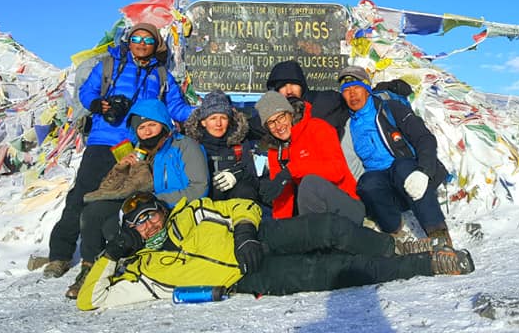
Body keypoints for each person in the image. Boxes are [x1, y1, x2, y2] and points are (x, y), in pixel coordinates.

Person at [77, 191, 474, 310]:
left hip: (258, 239)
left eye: (151, 214)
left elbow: (240, 205)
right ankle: (427, 262)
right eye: (138, 223)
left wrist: (246, 232)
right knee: (333, 271)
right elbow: (89, 302)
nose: (148, 224)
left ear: (161, 211)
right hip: (245, 279)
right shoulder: (142, 271)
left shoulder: (190, 213)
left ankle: (398, 245)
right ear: (132, 233)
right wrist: (112, 254)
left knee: (330, 228)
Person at [69, 98, 209, 299]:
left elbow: (199, 188)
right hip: (141, 206)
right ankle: (90, 268)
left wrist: (158, 199)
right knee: (94, 213)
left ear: (163, 123)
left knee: (113, 227)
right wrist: (121, 168)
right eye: (142, 127)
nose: (148, 131)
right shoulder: (136, 152)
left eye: (152, 124)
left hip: (172, 208)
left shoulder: (184, 146)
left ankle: (125, 266)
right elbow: (111, 189)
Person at [337, 66, 454, 248]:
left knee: (402, 167)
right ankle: (395, 232)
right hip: (384, 188)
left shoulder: (391, 109)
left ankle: (439, 234)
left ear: (367, 88)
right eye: (346, 91)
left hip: (412, 178)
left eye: (356, 87)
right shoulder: (348, 127)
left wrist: (424, 171)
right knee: (367, 183)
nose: (352, 94)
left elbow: (424, 138)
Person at [254, 91, 363, 224]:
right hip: (316, 212)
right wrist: (280, 226)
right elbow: (282, 195)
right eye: (271, 123)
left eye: (281, 117)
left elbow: (337, 171)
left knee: (309, 183)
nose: (278, 126)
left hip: (347, 205)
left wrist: (291, 170)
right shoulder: (276, 150)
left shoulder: (318, 128)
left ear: (290, 114)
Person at [184, 90, 259, 202]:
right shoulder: (191, 145)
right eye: (213, 118)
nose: (218, 124)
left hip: (234, 206)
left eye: (223, 118)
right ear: (203, 122)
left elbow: (253, 178)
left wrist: (236, 174)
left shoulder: (240, 144)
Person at [250, 60, 348, 141]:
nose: (289, 91)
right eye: (282, 86)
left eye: (293, 84)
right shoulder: (271, 114)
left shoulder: (326, 102)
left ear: (302, 85)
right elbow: (247, 128)